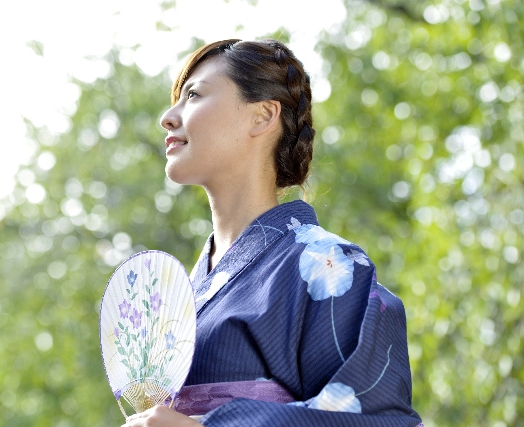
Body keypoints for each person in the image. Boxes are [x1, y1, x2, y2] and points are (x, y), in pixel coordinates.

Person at [123, 39, 423, 427]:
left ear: (263, 116)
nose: (168, 116)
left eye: (193, 95)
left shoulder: (328, 266)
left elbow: (379, 417)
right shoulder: (186, 291)